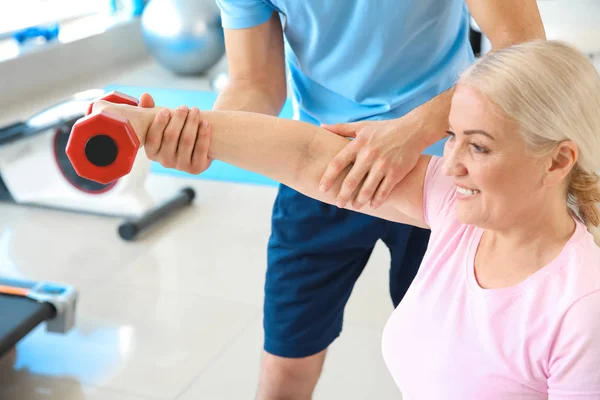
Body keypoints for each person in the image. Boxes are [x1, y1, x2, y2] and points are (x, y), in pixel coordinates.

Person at [93, 39, 600, 398]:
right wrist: (163, 127)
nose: (450, 162)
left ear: (557, 161)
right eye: (452, 137)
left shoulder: (582, 310)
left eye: (479, 146)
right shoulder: (459, 209)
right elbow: (310, 157)